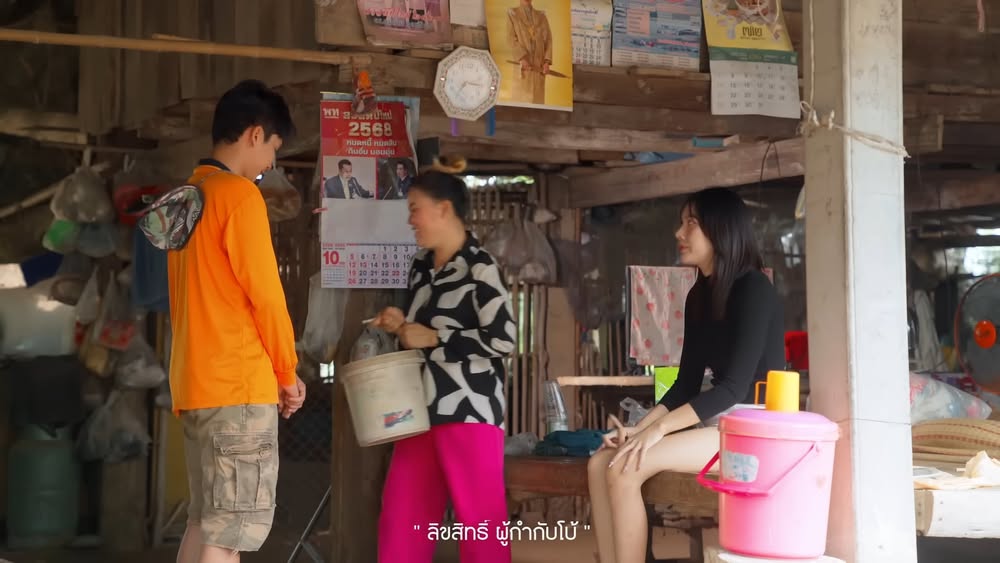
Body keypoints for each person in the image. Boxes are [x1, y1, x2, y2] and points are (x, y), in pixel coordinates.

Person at [587, 187, 784, 563]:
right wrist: (640, 429)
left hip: (754, 431)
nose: (679, 232)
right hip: (717, 428)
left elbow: (732, 389)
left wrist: (657, 431)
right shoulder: (699, 295)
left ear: (721, 229)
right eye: (682, 222)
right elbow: (685, 385)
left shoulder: (754, 290)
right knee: (602, 463)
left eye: (691, 222)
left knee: (626, 467)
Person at [168, 79, 307, 563]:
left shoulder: (188, 195)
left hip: (195, 385)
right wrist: (286, 374)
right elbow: (267, 297)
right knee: (228, 536)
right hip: (237, 390)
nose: (270, 162)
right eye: (273, 148)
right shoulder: (240, 196)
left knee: (203, 523)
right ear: (254, 134)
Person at [371, 155, 517, 563]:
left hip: (469, 410)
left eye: (415, 209)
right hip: (418, 411)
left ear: (443, 209)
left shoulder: (480, 268)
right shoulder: (421, 266)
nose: (410, 220)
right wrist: (401, 324)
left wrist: (437, 337)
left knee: (480, 525)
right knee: (401, 522)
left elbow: (504, 338)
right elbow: (419, 333)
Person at [506, 0, 553, 105]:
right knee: (519, 105)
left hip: (538, 69)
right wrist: (522, 57)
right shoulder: (512, 14)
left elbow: (548, 40)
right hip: (522, 69)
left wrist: (546, 61)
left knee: (537, 106)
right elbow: (511, 38)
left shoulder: (541, 16)